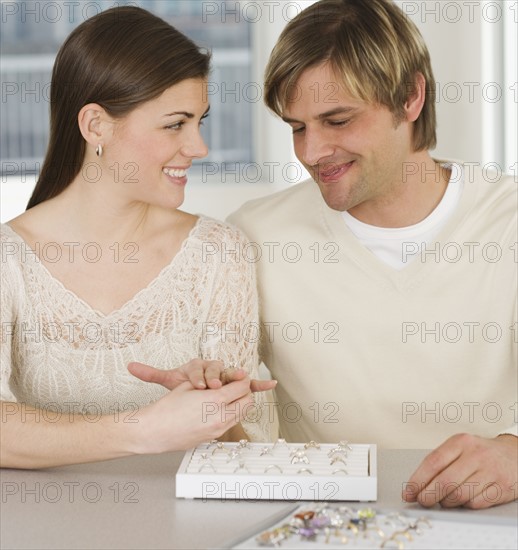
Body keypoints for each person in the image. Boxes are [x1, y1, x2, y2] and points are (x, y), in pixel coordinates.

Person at [228, 0, 517, 509]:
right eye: (297, 127)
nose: (312, 152)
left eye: (337, 120)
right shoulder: (253, 237)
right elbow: (227, 420)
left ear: (410, 97)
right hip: (325, 531)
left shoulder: (507, 219)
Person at [0, 6, 274, 470]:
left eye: (200, 121)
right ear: (95, 126)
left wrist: (213, 405)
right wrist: (144, 430)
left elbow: (239, 456)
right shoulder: (9, 261)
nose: (199, 147)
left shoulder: (218, 253)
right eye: (175, 124)